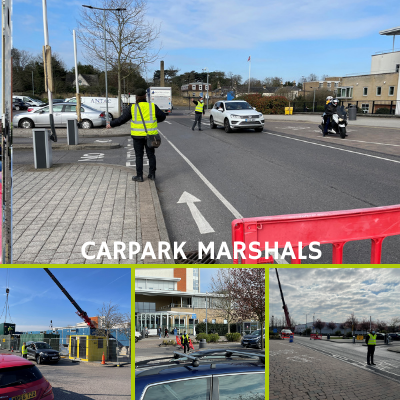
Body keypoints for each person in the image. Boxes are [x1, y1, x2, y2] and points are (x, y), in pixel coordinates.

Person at [107, 88, 166, 182]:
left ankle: (139, 176)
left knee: (139, 156)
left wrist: (111, 124)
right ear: (145, 96)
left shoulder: (132, 108)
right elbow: (163, 116)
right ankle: (152, 175)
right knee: (151, 155)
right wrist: (155, 120)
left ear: (136, 97)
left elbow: (122, 119)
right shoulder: (152, 106)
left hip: (137, 136)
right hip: (150, 136)